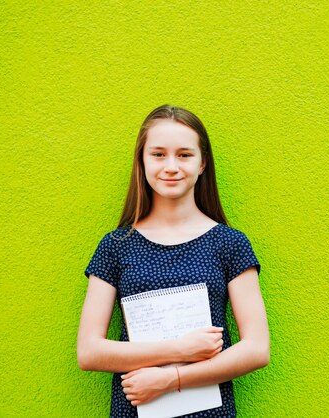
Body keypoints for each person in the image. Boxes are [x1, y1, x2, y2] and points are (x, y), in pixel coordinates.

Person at [77, 104, 270, 417]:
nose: (170, 166)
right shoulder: (115, 246)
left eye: (184, 154)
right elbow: (89, 351)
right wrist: (179, 349)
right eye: (158, 154)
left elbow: (257, 349)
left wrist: (171, 379)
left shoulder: (230, 243)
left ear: (202, 162)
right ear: (142, 161)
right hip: (137, 408)